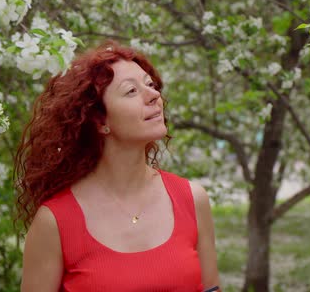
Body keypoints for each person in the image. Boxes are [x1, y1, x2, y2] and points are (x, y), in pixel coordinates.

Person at [14, 40, 221, 291]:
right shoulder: (55, 222)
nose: (154, 95)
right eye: (131, 91)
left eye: (150, 85)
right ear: (100, 121)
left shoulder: (192, 199)